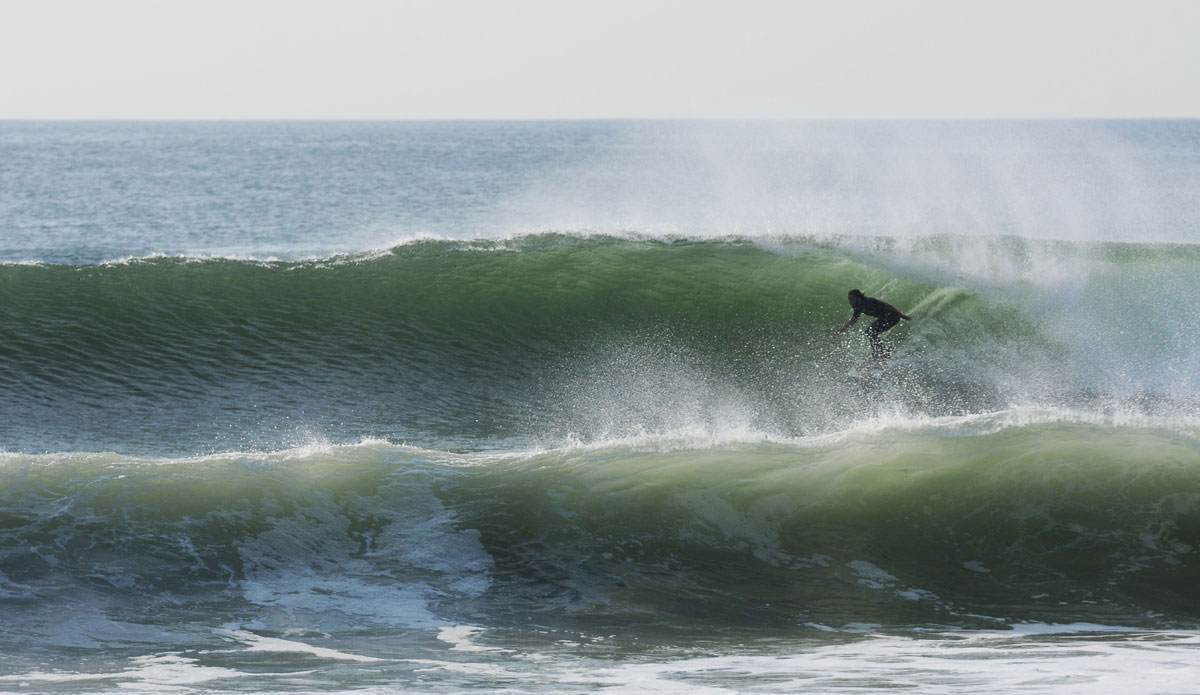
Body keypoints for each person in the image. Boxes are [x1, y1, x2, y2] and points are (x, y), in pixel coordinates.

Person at [833, 289, 912, 362]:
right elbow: (853, 320)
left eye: (852, 299)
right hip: (884, 318)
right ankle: (882, 352)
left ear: (858, 298)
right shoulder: (858, 307)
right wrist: (840, 330)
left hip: (892, 317)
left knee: (871, 332)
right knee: (870, 332)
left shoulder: (869, 302)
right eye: (849, 299)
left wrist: (901, 315)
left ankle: (880, 352)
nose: (850, 302)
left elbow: (888, 306)